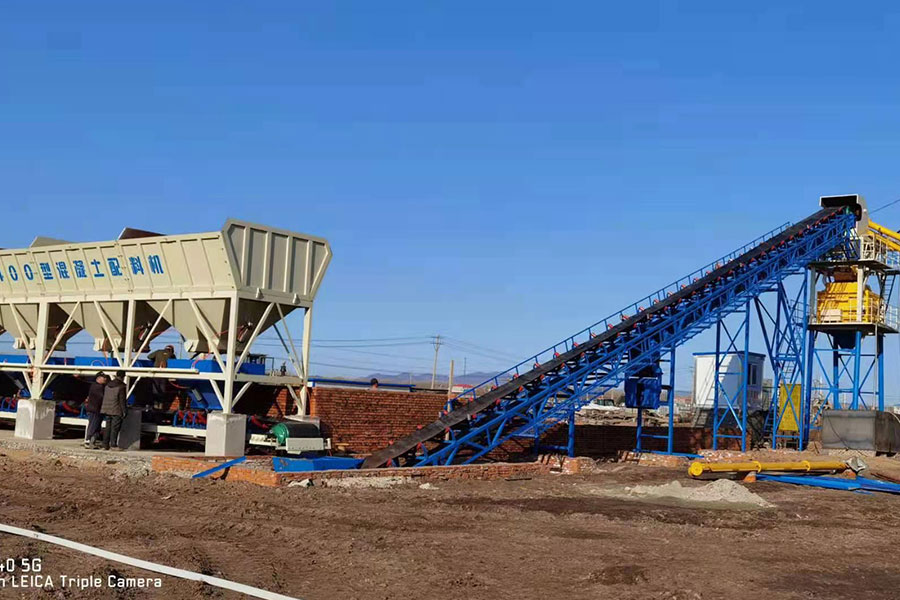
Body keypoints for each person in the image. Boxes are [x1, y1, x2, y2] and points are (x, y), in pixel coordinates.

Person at [100, 370, 128, 451]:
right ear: (123, 377)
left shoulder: (107, 385)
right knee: (115, 428)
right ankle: (113, 445)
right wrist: (124, 411)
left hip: (106, 409)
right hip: (116, 409)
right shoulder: (121, 386)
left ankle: (105, 445)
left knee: (107, 427)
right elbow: (122, 400)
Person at [83, 372, 107, 448]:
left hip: (96, 409)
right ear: (98, 378)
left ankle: (92, 441)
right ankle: (88, 441)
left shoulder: (95, 386)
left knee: (96, 426)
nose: (105, 379)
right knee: (93, 425)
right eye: (103, 377)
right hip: (95, 409)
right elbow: (101, 397)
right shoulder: (98, 387)